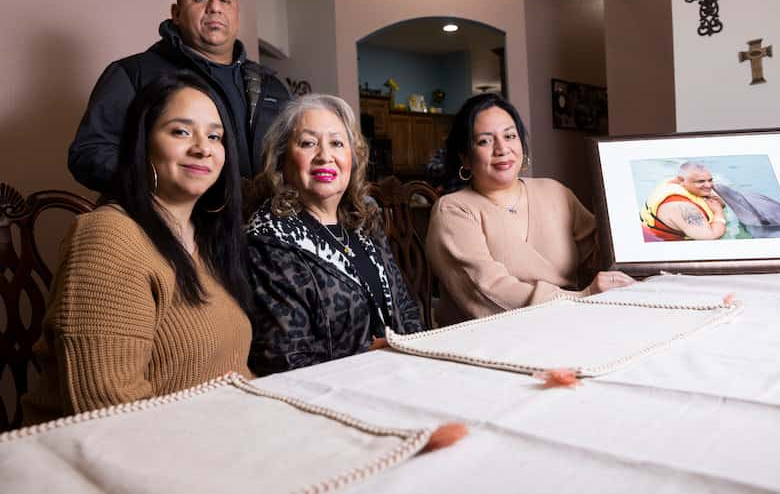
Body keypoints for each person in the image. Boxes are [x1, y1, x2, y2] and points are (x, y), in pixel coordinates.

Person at [23, 71, 253, 424]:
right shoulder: (107, 236)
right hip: (121, 455)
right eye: (180, 131)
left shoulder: (208, 240)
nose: (202, 147)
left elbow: (234, 372)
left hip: (220, 436)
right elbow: (110, 410)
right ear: (142, 142)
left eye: (215, 136)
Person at [68, 0, 291, 194]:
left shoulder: (272, 86)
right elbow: (88, 153)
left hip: (261, 227)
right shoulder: (134, 73)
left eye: (225, 0)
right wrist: (163, 184)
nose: (215, 7)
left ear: (236, 14)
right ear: (176, 13)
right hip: (172, 225)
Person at [246, 94, 422, 374]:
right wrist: (373, 357)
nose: (325, 156)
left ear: (352, 158)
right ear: (281, 160)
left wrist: (417, 359)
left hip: (401, 377)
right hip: (331, 395)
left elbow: (405, 308)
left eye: (337, 143)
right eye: (308, 143)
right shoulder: (269, 239)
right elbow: (285, 359)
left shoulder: (365, 221)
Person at [426, 93, 634, 327]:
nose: (502, 148)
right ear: (465, 156)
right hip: (490, 341)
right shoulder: (453, 210)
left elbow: (598, 257)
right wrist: (581, 299)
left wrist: (621, 215)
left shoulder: (554, 191)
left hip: (567, 325)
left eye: (510, 136)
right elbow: (487, 291)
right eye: (485, 141)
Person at [640, 162, 727, 241]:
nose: (709, 185)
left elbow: (719, 202)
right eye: (700, 181)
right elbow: (712, 237)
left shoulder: (674, 183)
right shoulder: (684, 208)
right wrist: (718, 212)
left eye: (710, 180)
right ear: (681, 180)